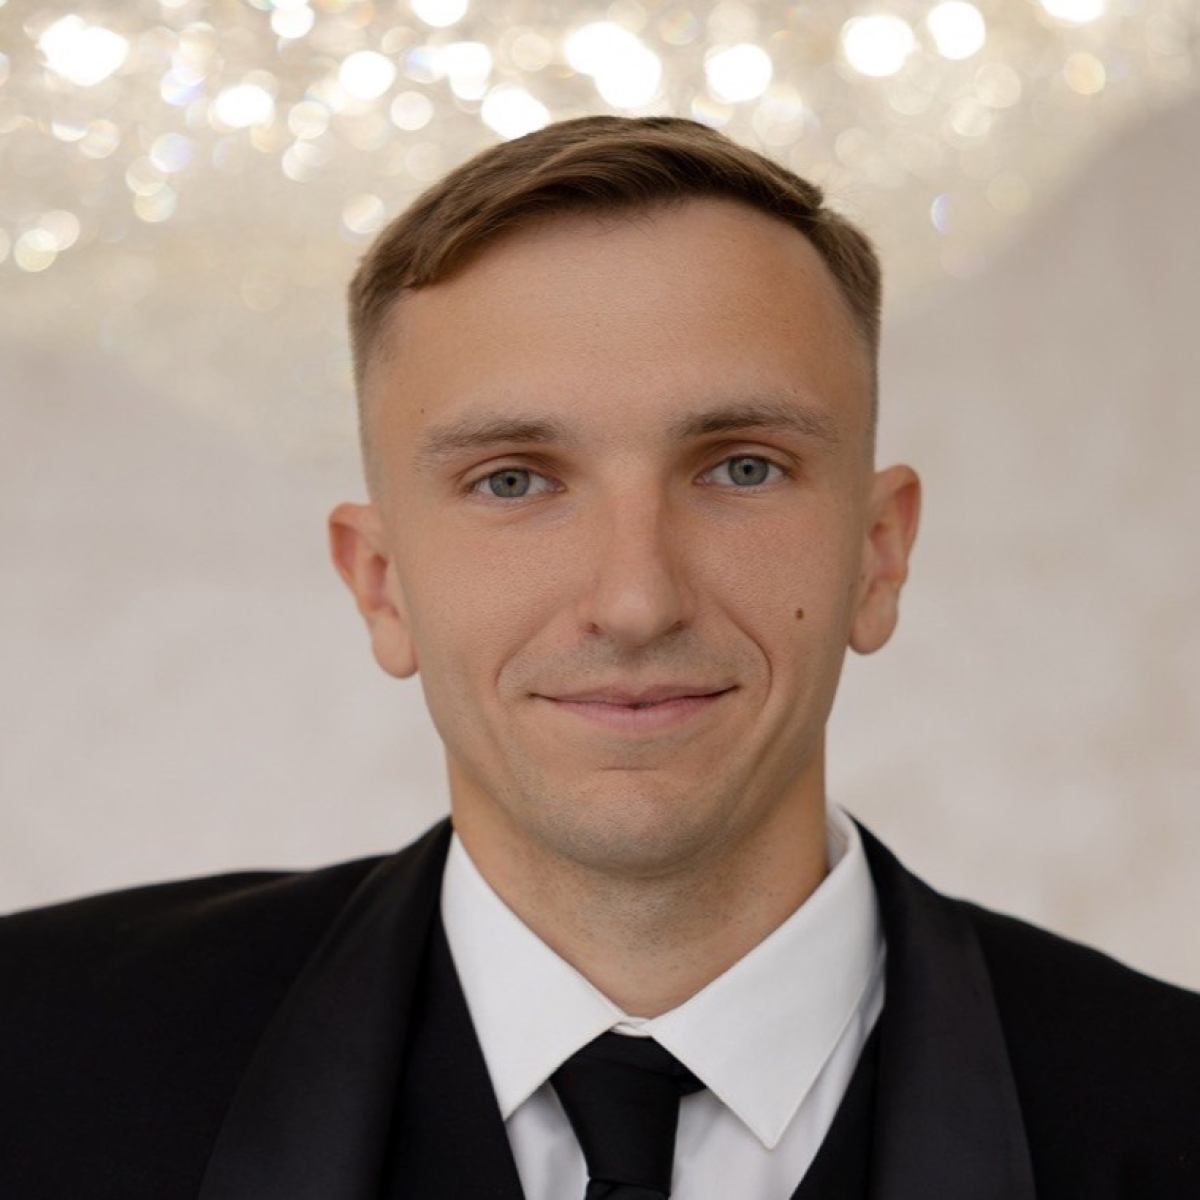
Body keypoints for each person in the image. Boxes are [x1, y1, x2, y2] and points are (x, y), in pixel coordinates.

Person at [1, 116, 1197, 1200]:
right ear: (380, 584)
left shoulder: (1170, 1104)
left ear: (879, 557)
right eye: (513, 481)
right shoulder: (35, 1059)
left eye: (741, 467)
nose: (635, 601)